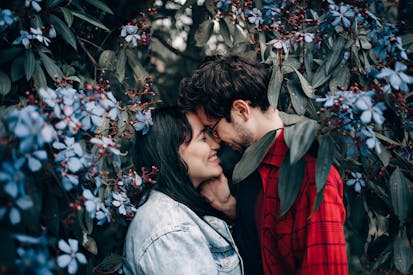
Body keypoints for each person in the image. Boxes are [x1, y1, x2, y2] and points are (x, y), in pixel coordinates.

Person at [179, 53, 348, 275]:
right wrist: (232, 209)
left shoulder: (311, 176)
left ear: (241, 110)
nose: (216, 141)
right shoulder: (249, 169)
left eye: (212, 129)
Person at [123, 106, 243, 275]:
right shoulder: (171, 231)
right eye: (203, 138)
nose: (216, 144)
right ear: (173, 152)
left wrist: (229, 208)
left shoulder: (180, 212)